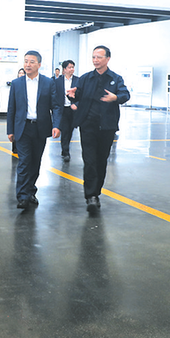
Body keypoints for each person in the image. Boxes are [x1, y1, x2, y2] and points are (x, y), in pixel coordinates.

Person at [67, 46, 129, 213]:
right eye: (93, 57)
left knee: (101, 160)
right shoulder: (85, 78)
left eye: (99, 57)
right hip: (88, 125)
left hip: (107, 126)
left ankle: (96, 192)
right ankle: (91, 196)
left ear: (108, 59)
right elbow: (78, 95)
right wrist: (72, 94)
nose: (95, 60)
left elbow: (125, 95)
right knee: (89, 160)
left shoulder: (115, 78)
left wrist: (115, 97)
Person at [6, 51, 61, 209]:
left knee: (35, 162)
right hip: (22, 128)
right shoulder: (17, 83)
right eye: (26, 61)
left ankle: (31, 191)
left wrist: (56, 125)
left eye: (31, 62)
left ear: (39, 64)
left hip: (40, 128)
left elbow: (56, 106)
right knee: (24, 161)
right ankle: (22, 196)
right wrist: (10, 130)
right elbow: (11, 108)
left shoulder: (48, 83)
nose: (28, 65)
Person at [55, 60, 79, 162]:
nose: (71, 69)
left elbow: (82, 95)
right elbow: (55, 95)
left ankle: (65, 147)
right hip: (62, 109)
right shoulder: (57, 81)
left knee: (70, 130)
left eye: (73, 67)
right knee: (64, 130)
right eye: (69, 67)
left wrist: (76, 104)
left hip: (73, 110)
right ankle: (65, 152)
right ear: (64, 69)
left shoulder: (78, 81)